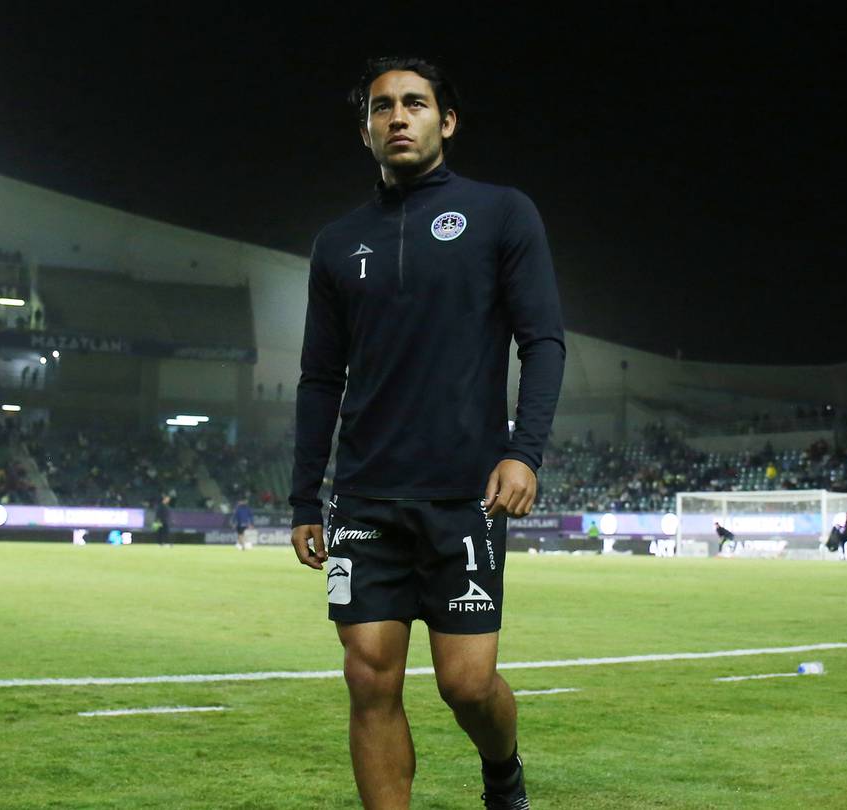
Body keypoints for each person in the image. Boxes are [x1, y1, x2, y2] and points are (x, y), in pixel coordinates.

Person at [289, 56, 565, 810]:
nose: (398, 117)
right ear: (366, 131)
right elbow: (320, 379)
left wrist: (523, 451)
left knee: (466, 686)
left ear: (447, 121)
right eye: (383, 108)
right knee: (368, 675)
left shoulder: (502, 213)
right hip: (367, 495)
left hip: (464, 494)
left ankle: (501, 770)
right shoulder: (337, 244)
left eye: (415, 104)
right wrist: (304, 498)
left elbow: (542, 340)